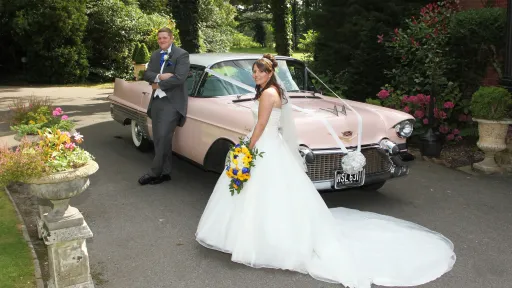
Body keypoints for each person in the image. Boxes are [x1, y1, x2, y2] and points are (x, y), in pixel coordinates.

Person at [195, 54, 456, 288]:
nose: (256, 75)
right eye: (254, 71)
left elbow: (262, 124)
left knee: (262, 192)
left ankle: (264, 238)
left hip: (263, 144)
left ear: (270, 73)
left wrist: (247, 148)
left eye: (260, 71)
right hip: (272, 146)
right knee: (273, 192)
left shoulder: (267, 94)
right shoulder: (275, 92)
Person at [138, 27, 190, 185]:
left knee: (162, 138)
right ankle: (165, 172)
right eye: (159, 38)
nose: (161, 40)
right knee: (161, 138)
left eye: (164, 38)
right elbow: (146, 74)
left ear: (171, 38)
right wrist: (160, 76)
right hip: (157, 102)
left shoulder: (182, 54)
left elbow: (180, 78)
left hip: (172, 102)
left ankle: (154, 173)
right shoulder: (155, 55)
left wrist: (158, 85)